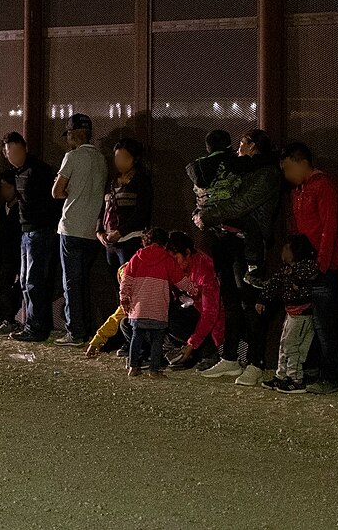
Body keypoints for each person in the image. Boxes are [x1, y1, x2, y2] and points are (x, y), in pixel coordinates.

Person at [196, 129, 282, 386]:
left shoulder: (267, 173)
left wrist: (208, 215)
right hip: (227, 240)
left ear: (254, 146)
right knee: (231, 302)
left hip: (248, 243)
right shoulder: (239, 169)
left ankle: (256, 362)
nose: (238, 147)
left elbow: (241, 204)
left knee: (250, 303)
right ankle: (231, 358)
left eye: (243, 142)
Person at [279, 142, 338, 394]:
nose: (286, 175)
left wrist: (321, 264)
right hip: (306, 267)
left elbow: (330, 228)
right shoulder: (298, 190)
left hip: (322, 268)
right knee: (309, 325)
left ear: (302, 163)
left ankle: (331, 377)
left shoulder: (323, 186)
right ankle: (312, 370)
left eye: (288, 168)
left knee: (324, 326)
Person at [52, 113, 108, 346]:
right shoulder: (102, 159)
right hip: (92, 230)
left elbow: (56, 191)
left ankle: (75, 331)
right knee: (83, 281)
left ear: (73, 135)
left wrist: (69, 193)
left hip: (72, 226)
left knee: (71, 283)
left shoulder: (72, 156)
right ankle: (85, 328)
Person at [118, 226, 201, 378]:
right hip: (159, 308)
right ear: (165, 243)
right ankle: (154, 370)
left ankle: (133, 367)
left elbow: (125, 281)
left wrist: (124, 299)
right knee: (157, 340)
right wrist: (194, 289)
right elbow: (181, 281)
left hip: (139, 308)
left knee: (136, 337)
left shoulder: (136, 258)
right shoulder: (168, 260)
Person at [1, 132, 60, 343]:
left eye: (16, 151)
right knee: (26, 280)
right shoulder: (17, 171)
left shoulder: (38, 170)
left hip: (39, 230)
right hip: (27, 230)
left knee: (33, 280)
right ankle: (32, 325)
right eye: (9, 153)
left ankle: (36, 327)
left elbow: (51, 201)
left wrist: (46, 224)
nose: (13, 156)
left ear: (25, 148)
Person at [257, 235, 321, 395]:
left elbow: (311, 272)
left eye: (286, 248)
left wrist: (295, 277)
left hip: (302, 315)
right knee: (284, 345)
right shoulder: (285, 271)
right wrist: (263, 298)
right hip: (291, 314)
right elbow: (273, 283)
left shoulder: (306, 266)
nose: (282, 252)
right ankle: (282, 376)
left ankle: (296, 380)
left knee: (295, 348)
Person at [164, 230, 225, 371]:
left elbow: (211, 312)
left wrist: (192, 344)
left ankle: (210, 353)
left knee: (176, 320)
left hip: (212, 318)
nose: (173, 265)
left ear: (187, 252)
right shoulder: (177, 268)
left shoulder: (205, 267)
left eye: (176, 259)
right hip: (192, 309)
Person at [98, 137, 153, 270]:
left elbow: (142, 211)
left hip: (131, 240)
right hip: (110, 242)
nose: (119, 162)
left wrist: (120, 232)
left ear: (134, 159)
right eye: (117, 157)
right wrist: (99, 232)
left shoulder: (141, 181)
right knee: (117, 282)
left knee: (130, 280)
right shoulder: (112, 181)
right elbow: (103, 209)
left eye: (124, 158)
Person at [0, 171, 23, 336]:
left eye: (8, 187)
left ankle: (9, 319)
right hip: (2, 253)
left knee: (10, 286)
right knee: (1, 285)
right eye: (2, 187)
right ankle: (5, 319)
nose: (5, 191)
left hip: (15, 254)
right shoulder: (2, 209)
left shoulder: (20, 209)